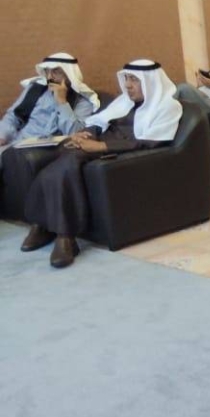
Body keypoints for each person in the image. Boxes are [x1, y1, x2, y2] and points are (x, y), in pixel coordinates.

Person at [17, 59, 181, 268]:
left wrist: (101, 146)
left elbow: (150, 141)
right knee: (54, 155)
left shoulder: (167, 106)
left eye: (134, 80)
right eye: (127, 78)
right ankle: (46, 226)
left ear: (150, 82)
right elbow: (100, 121)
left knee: (68, 162)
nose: (128, 85)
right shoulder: (124, 102)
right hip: (99, 143)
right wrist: (85, 134)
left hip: (118, 152)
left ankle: (61, 233)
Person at [0, 53, 98, 167]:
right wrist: (2, 135)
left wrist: (62, 102)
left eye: (56, 72)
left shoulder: (83, 100)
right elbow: (12, 117)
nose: (50, 77)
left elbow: (75, 133)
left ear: (69, 74)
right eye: (47, 71)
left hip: (49, 151)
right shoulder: (35, 89)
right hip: (18, 143)